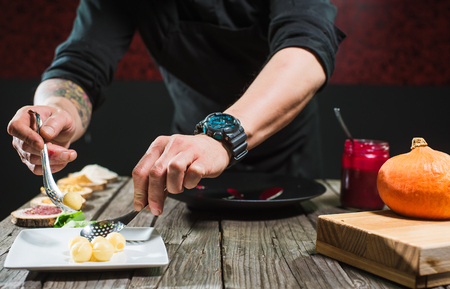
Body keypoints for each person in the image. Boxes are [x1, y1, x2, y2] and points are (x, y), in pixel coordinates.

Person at [7, 0, 345, 216]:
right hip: (185, 165)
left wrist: (220, 136)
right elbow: (80, 64)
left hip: (284, 161)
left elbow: (306, 49)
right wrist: (52, 111)